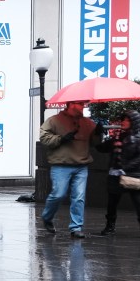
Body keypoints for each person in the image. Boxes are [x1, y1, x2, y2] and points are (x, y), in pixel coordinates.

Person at [40, 100, 99, 239]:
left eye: (83, 104)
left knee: (79, 197)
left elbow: (95, 143)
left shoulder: (88, 123)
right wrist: (61, 139)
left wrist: (98, 134)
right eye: (80, 104)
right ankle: (47, 217)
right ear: (70, 104)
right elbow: (44, 138)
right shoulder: (54, 121)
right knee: (58, 194)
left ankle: (76, 227)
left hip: (81, 165)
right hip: (61, 165)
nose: (83, 106)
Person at [97, 109, 140, 239]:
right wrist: (97, 134)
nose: (124, 122)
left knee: (139, 202)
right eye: (123, 119)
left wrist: (126, 167)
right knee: (112, 202)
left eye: (127, 120)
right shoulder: (117, 136)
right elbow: (101, 148)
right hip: (115, 175)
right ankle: (110, 226)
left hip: (134, 175)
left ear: (134, 122)